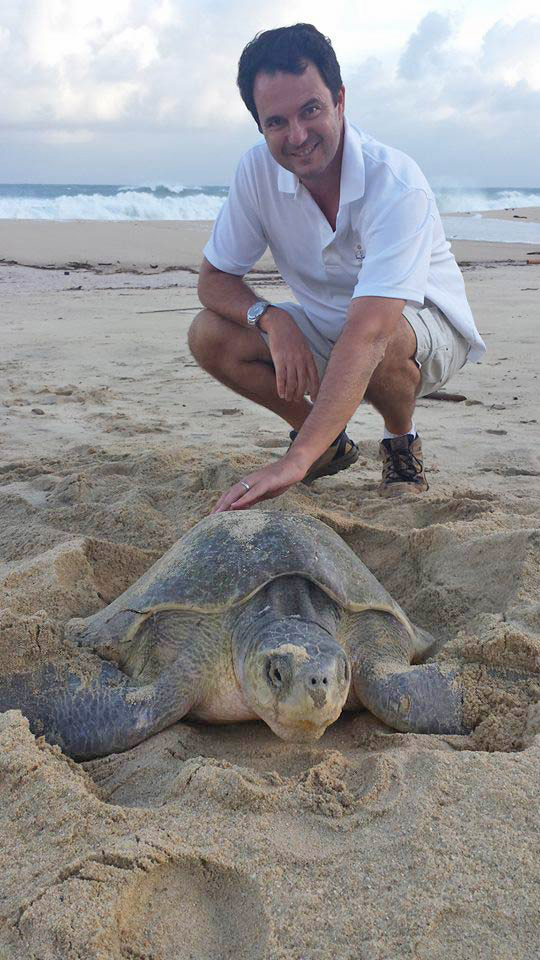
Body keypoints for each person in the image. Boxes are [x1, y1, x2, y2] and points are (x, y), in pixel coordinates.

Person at [188, 23, 485, 513]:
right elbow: (214, 280)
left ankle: (399, 440)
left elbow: (369, 332)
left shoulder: (394, 182)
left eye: (311, 110)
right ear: (259, 125)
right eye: (276, 122)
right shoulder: (256, 172)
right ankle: (324, 439)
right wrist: (271, 318)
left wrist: (293, 463)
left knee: (382, 341)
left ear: (340, 99)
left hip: (426, 329)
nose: (298, 136)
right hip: (334, 326)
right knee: (209, 333)